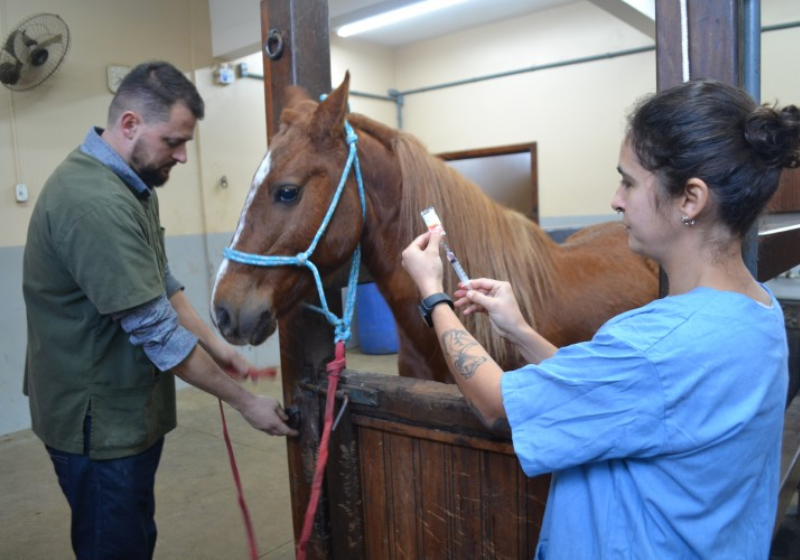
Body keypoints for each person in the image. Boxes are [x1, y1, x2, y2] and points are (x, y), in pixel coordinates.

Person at [402, 79, 800, 558]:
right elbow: (618, 393)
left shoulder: (654, 345)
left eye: (628, 182)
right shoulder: (759, 311)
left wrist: (433, 295)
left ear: (690, 200)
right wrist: (520, 330)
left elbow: (496, 404)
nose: (616, 200)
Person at [22, 61, 297, 560]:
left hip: (125, 409)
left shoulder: (131, 184)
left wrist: (218, 348)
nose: (183, 156)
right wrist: (245, 402)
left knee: (134, 534)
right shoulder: (94, 204)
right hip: (96, 419)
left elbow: (163, 287)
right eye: (173, 142)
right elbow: (160, 335)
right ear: (130, 124)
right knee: (114, 544)